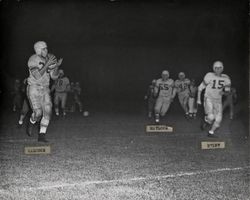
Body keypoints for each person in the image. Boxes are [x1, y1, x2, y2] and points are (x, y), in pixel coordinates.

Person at [26, 41, 62, 142]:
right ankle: (31, 121)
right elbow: (37, 76)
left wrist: (56, 66)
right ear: (38, 50)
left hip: (45, 88)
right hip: (34, 87)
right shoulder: (33, 59)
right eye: (44, 49)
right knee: (38, 113)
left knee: (48, 111)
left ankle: (42, 135)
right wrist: (47, 64)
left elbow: (54, 77)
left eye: (46, 48)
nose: (46, 50)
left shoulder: (48, 59)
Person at [197, 61, 231, 137]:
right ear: (213, 68)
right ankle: (206, 121)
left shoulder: (226, 78)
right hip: (208, 98)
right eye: (216, 68)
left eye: (219, 68)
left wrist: (224, 93)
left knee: (218, 120)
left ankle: (211, 132)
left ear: (222, 68)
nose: (218, 70)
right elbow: (200, 88)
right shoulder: (209, 75)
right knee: (211, 117)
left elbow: (227, 91)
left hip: (218, 100)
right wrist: (198, 99)